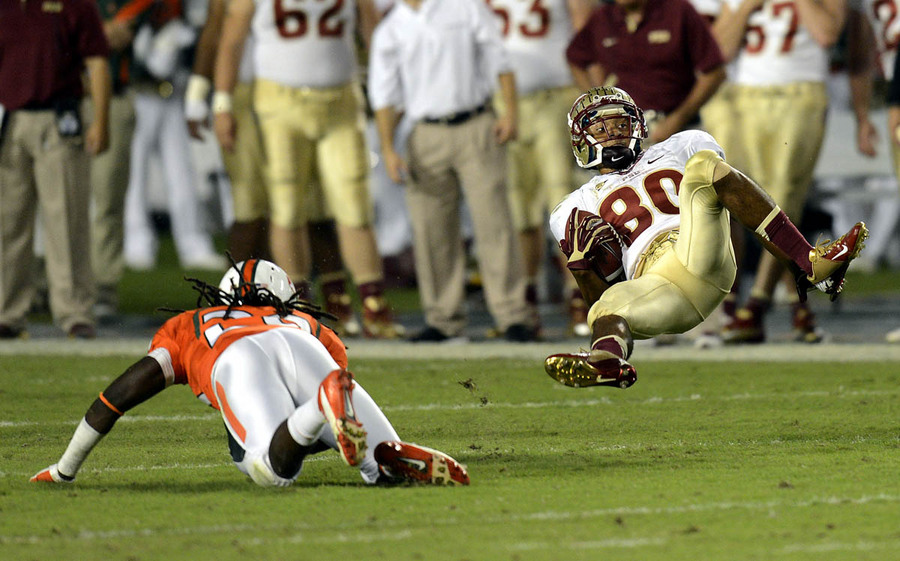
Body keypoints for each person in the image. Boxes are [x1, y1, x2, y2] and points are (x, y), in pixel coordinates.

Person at [30, 259, 470, 487]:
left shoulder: (193, 324)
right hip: (308, 350)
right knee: (377, 459)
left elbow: (119, 395)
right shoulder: (310, 324)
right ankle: (379, 462)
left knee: (271, 468)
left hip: (237, 356)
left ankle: (320, 405)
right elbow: (340, 432)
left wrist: (66, 467)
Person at [542, 86, 867, 388]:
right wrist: (582, 264)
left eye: (620, 124)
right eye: (600, 128)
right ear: (582, 140)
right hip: (655, 285)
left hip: (697, 244)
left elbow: (726, 187)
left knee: (702, 167)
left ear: (638, 126)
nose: (612, 133)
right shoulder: (573, 207)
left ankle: (807, 263)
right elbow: (602, 293)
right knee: (606, 310)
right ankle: (607, 362)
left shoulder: (678, 147)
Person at [213, 0, 403, 339]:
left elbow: (372, 30)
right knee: (286, 209)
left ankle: (373, 304)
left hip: (340, 101)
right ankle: (298, 304)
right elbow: (231, 39)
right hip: (278, 101)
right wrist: (222, 102)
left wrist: (388, 85)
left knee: (355, 205)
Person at [184, 0, 363, 337]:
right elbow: (216, 29)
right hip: (244, 92)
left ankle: (333, 304)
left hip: (300, 93)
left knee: (314, 203)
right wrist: (200, 93)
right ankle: (230, 306)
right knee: (251, 204)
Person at [368, 0, 539, 343]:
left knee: (495, 223)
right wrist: (388, 148)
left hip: (476, 122)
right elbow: (384, 94)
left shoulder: (464, 7)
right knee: (431, 229)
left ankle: (513, 315)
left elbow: (499, 60)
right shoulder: (391, 28)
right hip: (424, 132)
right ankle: (443, 319)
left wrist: (510, 113)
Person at [715, 0, 846, 345]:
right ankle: (797, 305)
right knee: (762, 206)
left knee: (784, 200)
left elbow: (826, 33)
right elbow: (720, 50)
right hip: (748, 94)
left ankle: (756, 304)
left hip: (801, 89)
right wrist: (743, 9)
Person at [0, 0, 112, 339]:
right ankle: (7, 310)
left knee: (67, 219)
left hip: (58, 117)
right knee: (8, 221)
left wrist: (101, 121)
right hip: (9, 120)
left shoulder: (75, 4)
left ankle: (75, 311)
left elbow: (97, 61)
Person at [487, 0, 595, 337]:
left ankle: (580, 295)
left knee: (565, 204)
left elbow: (585, 28)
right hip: (504, 102)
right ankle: (525, 300)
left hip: (556, 96)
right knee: (520, 209)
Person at [117, 0, 227, 272]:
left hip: (173, 94)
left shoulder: (183, 8)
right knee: (134, 176)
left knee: (182, 175)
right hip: (140, 96)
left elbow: (196, 39)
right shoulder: (139, 7)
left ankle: (194, 245)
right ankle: (137, 243)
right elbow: (127, 37)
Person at [565, 0, 726, 145]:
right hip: (626, 134)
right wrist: (596, 105)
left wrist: (678, 118)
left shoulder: (678, 11)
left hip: (681, 130)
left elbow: (714, 72)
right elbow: (575, 58)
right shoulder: (603, 18)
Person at [89, 2, 139, 319]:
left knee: (107, 195)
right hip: (57, 99)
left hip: (116, 95)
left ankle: (103, 284)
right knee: (52, 199)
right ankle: (46, 282)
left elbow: (121, 32)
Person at [846, 2, 900, 273]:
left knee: (886, 180)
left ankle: (872, 249)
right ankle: (865, 249)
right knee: (853, 177)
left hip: (883, 83)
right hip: (879, 85)